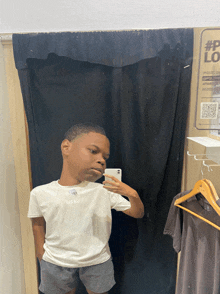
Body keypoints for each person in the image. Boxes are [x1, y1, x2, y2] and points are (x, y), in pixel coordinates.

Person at [28, 123, 144, 294]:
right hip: (56, 261)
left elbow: (137, 213)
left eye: (105, 157)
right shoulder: (40, 193)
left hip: (97, 261)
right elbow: (37, 223)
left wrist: (132, 194)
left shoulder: (103, 191)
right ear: (66, 147)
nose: (101, 160)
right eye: (93, 150)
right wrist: (41, 255)